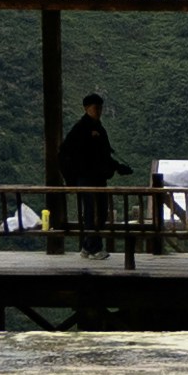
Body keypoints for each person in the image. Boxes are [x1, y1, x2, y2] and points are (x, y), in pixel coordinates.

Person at [55, 90, 119, 253]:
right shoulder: (81, 128)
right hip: (86, 178)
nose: (98, 111)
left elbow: (104, 153)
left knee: (101, 211)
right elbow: (64, 153)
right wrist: (72, 179)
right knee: (92, 212)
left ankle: (87, 246)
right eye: (95, 108)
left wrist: (116, 167)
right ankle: (94, 249)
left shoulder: (99, 128)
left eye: (100, 108)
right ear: (86, 109)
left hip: (98, 178)